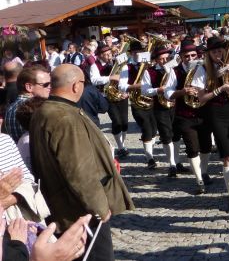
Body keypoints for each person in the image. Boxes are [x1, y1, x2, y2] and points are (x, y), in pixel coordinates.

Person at [29, 64, 134, 261]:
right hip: (79, 213)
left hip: (63, 207)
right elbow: (79, 171)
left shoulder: (46, 110)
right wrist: (100, 208)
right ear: (77, 86)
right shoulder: (65, 117)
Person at [189, 36, 229, 212]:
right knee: (226, 155)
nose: (218, 54)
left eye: (220, 50)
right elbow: (201, 98)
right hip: (216, 113)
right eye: (214, 51)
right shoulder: (203, 69)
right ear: (209, 53)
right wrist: (220, 88)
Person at [165, 41, 214, 195]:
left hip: (203, 112)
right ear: (181, 57)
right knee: (192, 148)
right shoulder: (175, 71)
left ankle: (204, 172)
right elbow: (167, 93)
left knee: (206, 146)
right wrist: (183, 91)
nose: (190, 58)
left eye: (193, 55)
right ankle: (199, 179)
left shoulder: (204, 68)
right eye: (187, 56)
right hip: (184, 115)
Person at [141, 45, 181, 177]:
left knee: (176, 134)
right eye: (161, 59)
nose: (164, 61)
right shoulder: (149, 72)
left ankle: (177, 161)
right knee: (166, 134)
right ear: (156, 60)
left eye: (167, 58)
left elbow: (176, 85)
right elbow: (144, 90)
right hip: (159, 106)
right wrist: (158, 90)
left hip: (174, 104)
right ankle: (172, 164)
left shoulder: (173, 69)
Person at [89, 44, 131, 158]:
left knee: (124, 122)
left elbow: (125, 75)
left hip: (121, 94)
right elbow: (94, 80)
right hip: (107, 96)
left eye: (110, 54)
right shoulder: (95, 65)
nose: (109, 56)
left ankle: (123, 144)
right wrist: (110, 78)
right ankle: (120, 147)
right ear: (100, 56)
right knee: (116, 121)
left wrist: (125, 90)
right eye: (106, 55)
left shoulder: (116, 62)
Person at [126, 40, 158, 169]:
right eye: (134, 52)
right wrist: (139, 86)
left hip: (151, 99)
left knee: (154, 130)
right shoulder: (127, 67)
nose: (137, 54)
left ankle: (150, 151)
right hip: (137, 101)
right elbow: (123, 86)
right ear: (131, 54)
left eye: (139, 52)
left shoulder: (148, 65)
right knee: (146, 128)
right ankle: (150, 158)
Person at [3, 65, 50, 143]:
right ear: (29, 87)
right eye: (46, 85)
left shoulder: (10, 108)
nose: (50, 87)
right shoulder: (36, 109)